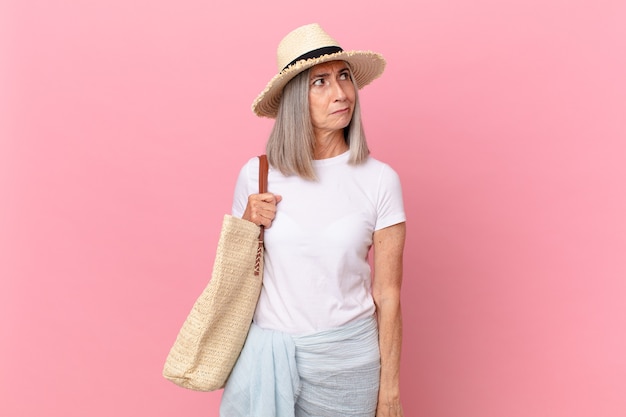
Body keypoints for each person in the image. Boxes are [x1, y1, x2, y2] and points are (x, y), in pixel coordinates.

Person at [220, 23, 406, 417]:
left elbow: (388, 295)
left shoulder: (379, 180)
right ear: (293, 99)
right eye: (319, 82)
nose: (340, 93)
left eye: (344, 77)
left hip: (348, 366)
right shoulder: (257, 176)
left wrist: (389, 392)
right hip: (266, 362)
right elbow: (234, 281)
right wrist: (247, 225)